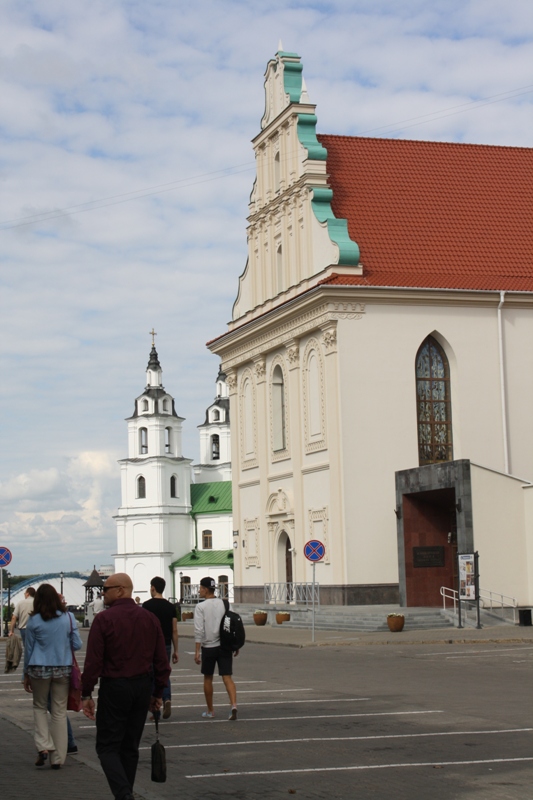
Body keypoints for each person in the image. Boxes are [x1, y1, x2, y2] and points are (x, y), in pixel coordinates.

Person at [81, 573, 170, 800]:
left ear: (121, 589)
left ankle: (123, 795)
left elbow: (93, 662)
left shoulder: (103, 620)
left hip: (115, 687)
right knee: (130, 747)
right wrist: (157, 692)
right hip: (141, 687)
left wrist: (86, 693)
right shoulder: (149, 619)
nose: (102, 592)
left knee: (107, 747)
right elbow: (161, 661)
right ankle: (126, 792)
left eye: (106, 588)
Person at [23, 583, 82, 769]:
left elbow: (29, 650)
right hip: (62, 668)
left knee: (39, 706)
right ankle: (58, 758)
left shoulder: (34, 621)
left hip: (38, 668)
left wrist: (25, 674)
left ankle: (43, 745)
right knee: (58, 712)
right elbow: (78, 644)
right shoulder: (69, 618)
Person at [194, 576, 238, 721]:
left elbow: (199, 630)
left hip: (209, 647)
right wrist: (234, 644)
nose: (199, 591)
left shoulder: (200, 607)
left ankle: (210, 710)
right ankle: (233, 706)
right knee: (227, 677)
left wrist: (197, 651)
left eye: (200, 588)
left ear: (206, 590)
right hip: (224, 647)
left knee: (208, 678)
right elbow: (232, 624)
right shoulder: (225, 604)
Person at [142, 576, 179, 719]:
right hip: (167, 644)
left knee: (152, 675)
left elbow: (143, 628)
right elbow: (175, 630)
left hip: (150, 645)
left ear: (153, 588)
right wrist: (176, 650)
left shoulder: (146, 606)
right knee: (164, 672)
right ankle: (167, 698)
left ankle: (155, 710)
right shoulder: (171, 607)